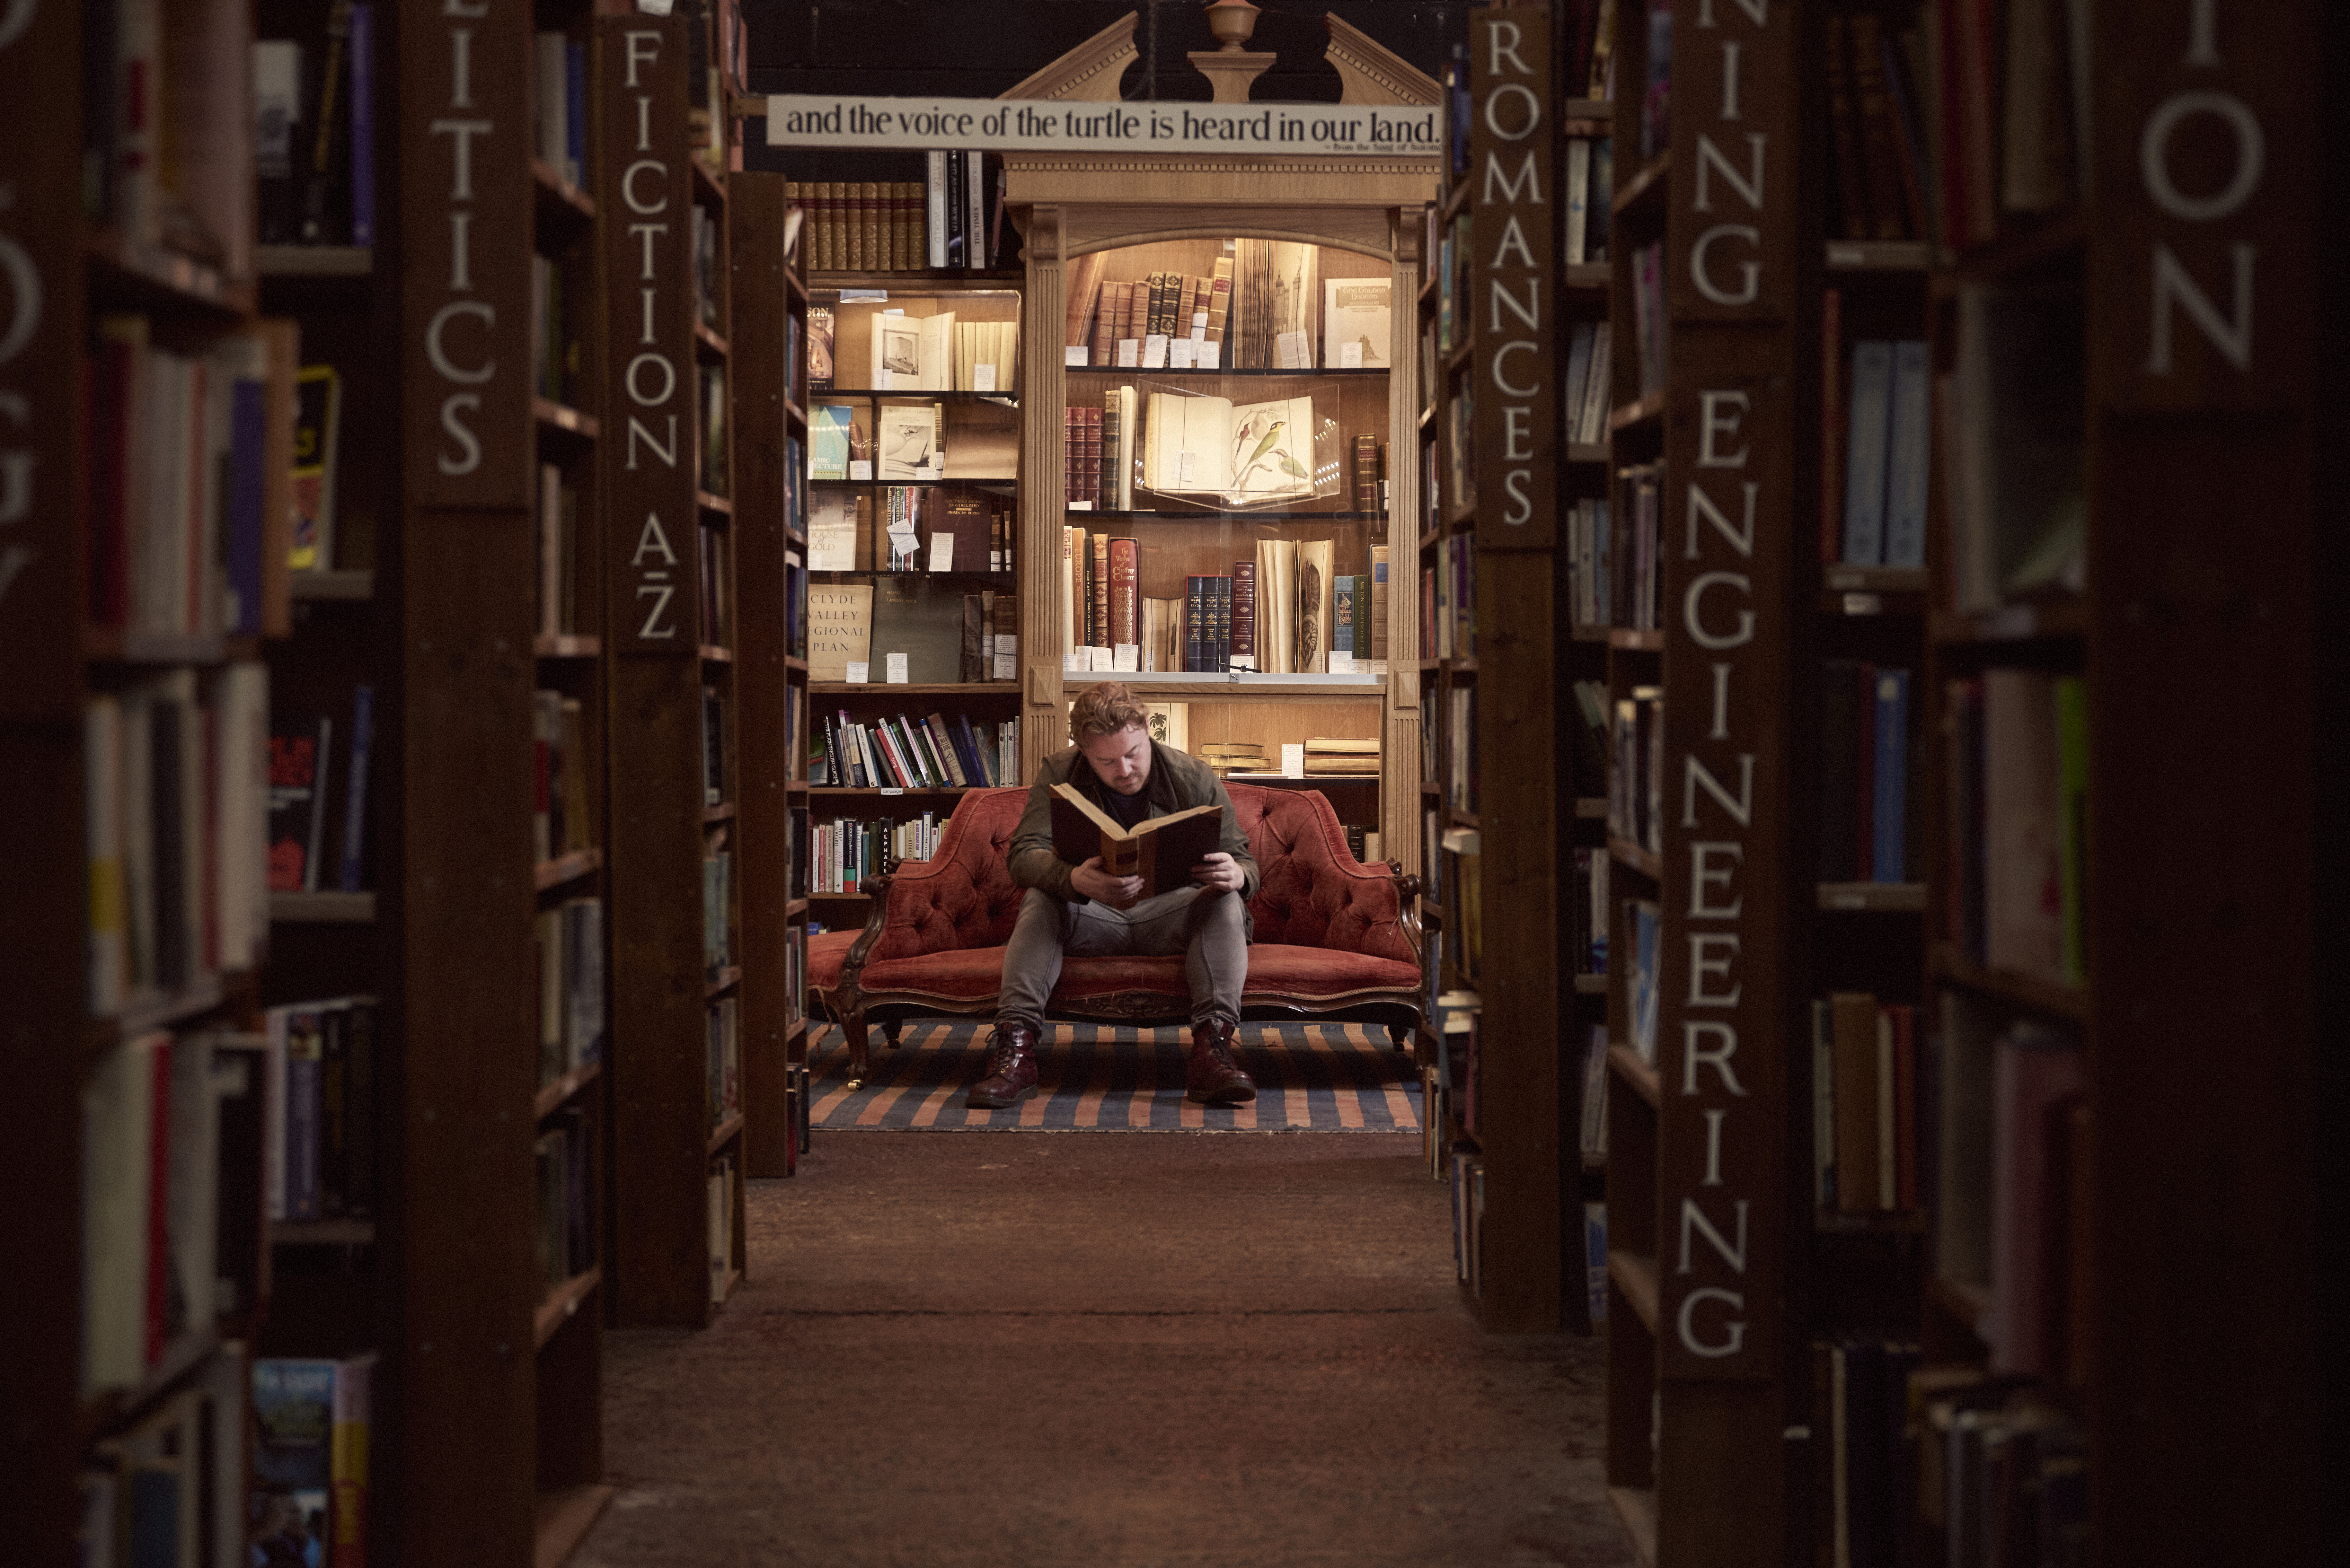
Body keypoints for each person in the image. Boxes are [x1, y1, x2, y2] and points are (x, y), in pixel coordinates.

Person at [967, 681, 1259, 1109]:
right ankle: (1016, 1053)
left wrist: (1237, 875)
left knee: (1224, 898)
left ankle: (1212, 1053)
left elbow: (1246, 862)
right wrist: (1074, 880)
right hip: (1092, 916)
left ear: (1146, 730)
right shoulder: (1060, 771)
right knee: (1042, 896)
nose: (1124, 770)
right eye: (1107, 761)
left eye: (1133, 753)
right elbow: (1023, 856)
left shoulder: (1193, 775)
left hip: (1171, 918)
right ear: (1083, 751)